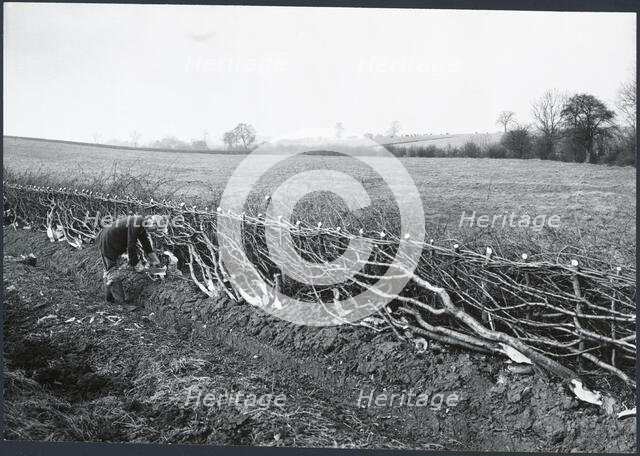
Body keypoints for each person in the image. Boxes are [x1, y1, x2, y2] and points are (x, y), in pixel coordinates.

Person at [96, 214, 164, 303]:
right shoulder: (138, 223)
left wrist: (155, 261)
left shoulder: (141, 224)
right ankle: (119, 302)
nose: (154, 231)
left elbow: (146, 245)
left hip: (111, 239)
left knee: (109, 270)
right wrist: (136, 263)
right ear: (153, 223)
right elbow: (131, 245)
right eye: (155, 229)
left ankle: (109, 297)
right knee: (113, 272)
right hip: (108, 241)